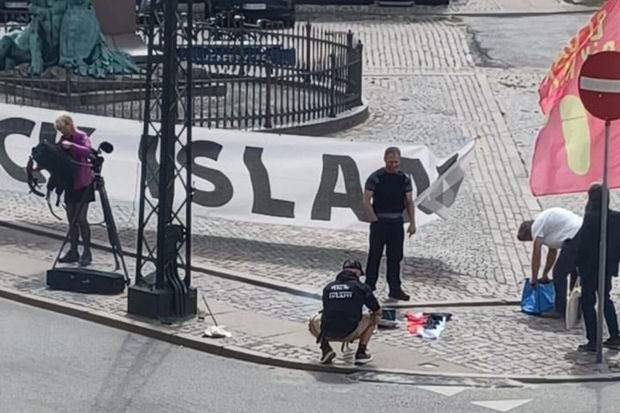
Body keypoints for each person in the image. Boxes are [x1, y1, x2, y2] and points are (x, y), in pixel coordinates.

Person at [363, 147, 415, 301]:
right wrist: (373, 218)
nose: (393, 165)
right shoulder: (376, 177)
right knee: (375, 255)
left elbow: (409, 201)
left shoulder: (404, 179)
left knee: (395, 257)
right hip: (380, 223)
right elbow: (366, 199)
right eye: (391, 162)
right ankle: (369, 286)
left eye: (396, 162)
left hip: (396, 223)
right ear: (385, 160)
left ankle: (394, 288)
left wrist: (412, 222)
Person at [575, 184, 620, 352]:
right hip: (607, 266)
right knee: (605, 299)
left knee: (588, 302)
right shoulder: (616, 217)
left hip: (589, 268)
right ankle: (615, 335)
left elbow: (583, 245)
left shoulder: (590, 218)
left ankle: (593, 339)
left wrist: (577, 266)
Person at [308, 260, 381, 365]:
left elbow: (328, 308)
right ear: (357, 273)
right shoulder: (361, 287)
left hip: (328, 332)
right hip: (350, 330)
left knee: (313, 319)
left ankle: (325, 348)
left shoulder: (328, 287)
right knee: (373, 316)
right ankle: (361, 352)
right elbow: (376, 308)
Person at [517, 207, 583, 317]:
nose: (532, 240)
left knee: (559, 273)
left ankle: (560, 309)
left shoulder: (536, 227)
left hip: (573, 236)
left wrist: (534, 278)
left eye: (529, 239)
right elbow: (552, 252)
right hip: (581, 231)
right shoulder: (546, 226)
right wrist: (545, 274)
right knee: (574, 271)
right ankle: (575, 308)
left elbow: (536, 255)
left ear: (528, 233)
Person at [55, 112, 95, 267]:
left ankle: (87, 252)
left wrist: (72, 146)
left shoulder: (81, 136)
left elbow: (87, 151)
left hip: (83, 182)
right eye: (59, 130)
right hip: (70, 182)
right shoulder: (63, 139)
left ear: (69, 125)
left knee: (81, 218)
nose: (61, 132)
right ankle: (73, 251)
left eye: (62, 128)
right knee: (71, 219)